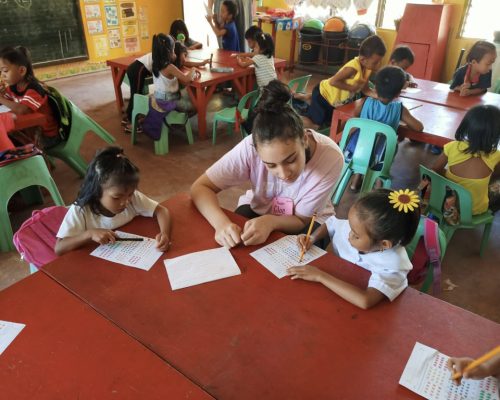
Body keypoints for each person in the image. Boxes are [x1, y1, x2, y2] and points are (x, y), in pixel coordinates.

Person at [190, 79, 344, 248]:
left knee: (298, 256)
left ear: (305, 140)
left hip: (307, 219)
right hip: (260, 207)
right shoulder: (249, 147)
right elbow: (201, 187)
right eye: (270, 165)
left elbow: (301, 219)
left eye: (291, 160)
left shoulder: (331, 158)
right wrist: (221, 224)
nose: (284, 175)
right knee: (235, 245)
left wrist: (270, 222)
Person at [287, 188, 420, 310]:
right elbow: (331, 224)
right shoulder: (358, 227)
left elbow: (365, 300)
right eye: (350, 227)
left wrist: (319, 276)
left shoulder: (394, 265)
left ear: (384, 244)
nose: (349, 234)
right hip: (338, 285)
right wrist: (312, 238)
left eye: (355, 236)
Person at [55, 146, 172, 256]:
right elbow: (59, 248)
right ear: (97, 190)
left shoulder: (132, 198)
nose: (125, 202)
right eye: (116, 197)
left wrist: (165, 234)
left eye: (130, 194)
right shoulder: (81, 209)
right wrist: (89, 234)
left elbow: (162, 211)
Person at [347, 66, 424, 190]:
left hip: (356, 151)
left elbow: (355, 121)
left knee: (365, 140)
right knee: (387, 145)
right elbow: (418, 127)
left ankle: (356, 180)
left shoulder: (364, 102)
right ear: (399, 93)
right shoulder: (399, 109)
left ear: (375, 87)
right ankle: (379, 182)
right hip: (380, 157)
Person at [302, 35, 386, 130]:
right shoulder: (352, 68)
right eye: (375, 62)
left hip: (334, 100)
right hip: (323, 95)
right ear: (363, 59)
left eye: (379, 61)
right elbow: (333, 81)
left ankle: (308, 98)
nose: (378, 65)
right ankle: (299, 111)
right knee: (317, 124)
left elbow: (366, 90)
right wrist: (351, 88)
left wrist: (379, 96)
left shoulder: (367, 68)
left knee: (329, 121)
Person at [432, 105, 500, 215]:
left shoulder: (452, 146)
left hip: (446, 203)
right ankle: (489, 213)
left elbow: (435, 169)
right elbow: (495, 175)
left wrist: (451, 176)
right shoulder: (496, 155)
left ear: (466, 126)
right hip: (472, 210)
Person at [0, 46, 60, 149]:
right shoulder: (12, 88)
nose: (2, 75)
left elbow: (22, 110)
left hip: (47, 136)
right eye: (0, 72)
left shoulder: (34, 89)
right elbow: (5, 103)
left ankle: (41, 162)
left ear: (22, 71)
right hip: (30, 130)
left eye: (5, 71)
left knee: (10, 144)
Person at [151, 34, 198, 113]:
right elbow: (187, 79)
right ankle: (180, 121)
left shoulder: (155, 64)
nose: (175, 53)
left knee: (186, 95)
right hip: (168, 102)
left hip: (159, 99)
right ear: (168, 52)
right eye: (173, 50)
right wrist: (193, 69)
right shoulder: (169, 67)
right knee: (195, 107)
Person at [123, 52, 153, 131]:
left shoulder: (157, 50)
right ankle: (131, 122)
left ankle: (127, 118)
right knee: (136, 96)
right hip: (137, 71)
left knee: (135, 95)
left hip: (134, 69)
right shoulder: (163, 54)